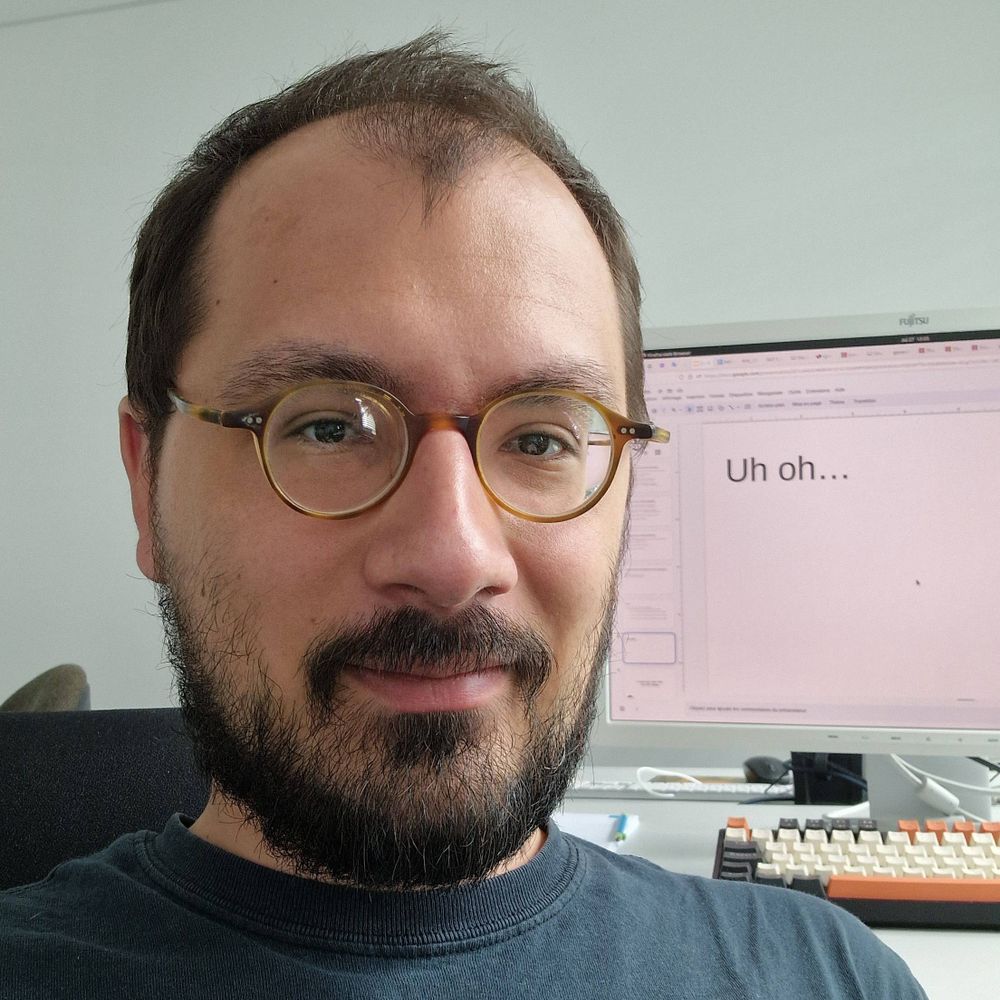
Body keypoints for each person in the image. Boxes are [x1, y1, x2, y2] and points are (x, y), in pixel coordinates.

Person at [1, 32, 925, 999]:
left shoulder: (831, 976)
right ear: (147, 480)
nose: (453, 556)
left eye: (540, 439)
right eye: (325, 427)